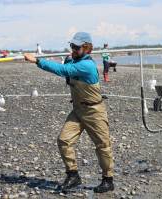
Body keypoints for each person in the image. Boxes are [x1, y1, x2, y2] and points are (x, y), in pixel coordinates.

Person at [24, 32, 115, 193]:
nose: (73, 49)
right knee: (63, 140)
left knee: (103, 146)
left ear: (87, 48)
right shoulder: (75, 60)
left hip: (94, 111)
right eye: (72, 46)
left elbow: (62, 70)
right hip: (78, 110)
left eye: (76, 47)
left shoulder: (86, 66)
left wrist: (37, 60)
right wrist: (69, 57)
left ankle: (108, 180)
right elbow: (67, 66)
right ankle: (73, 175)